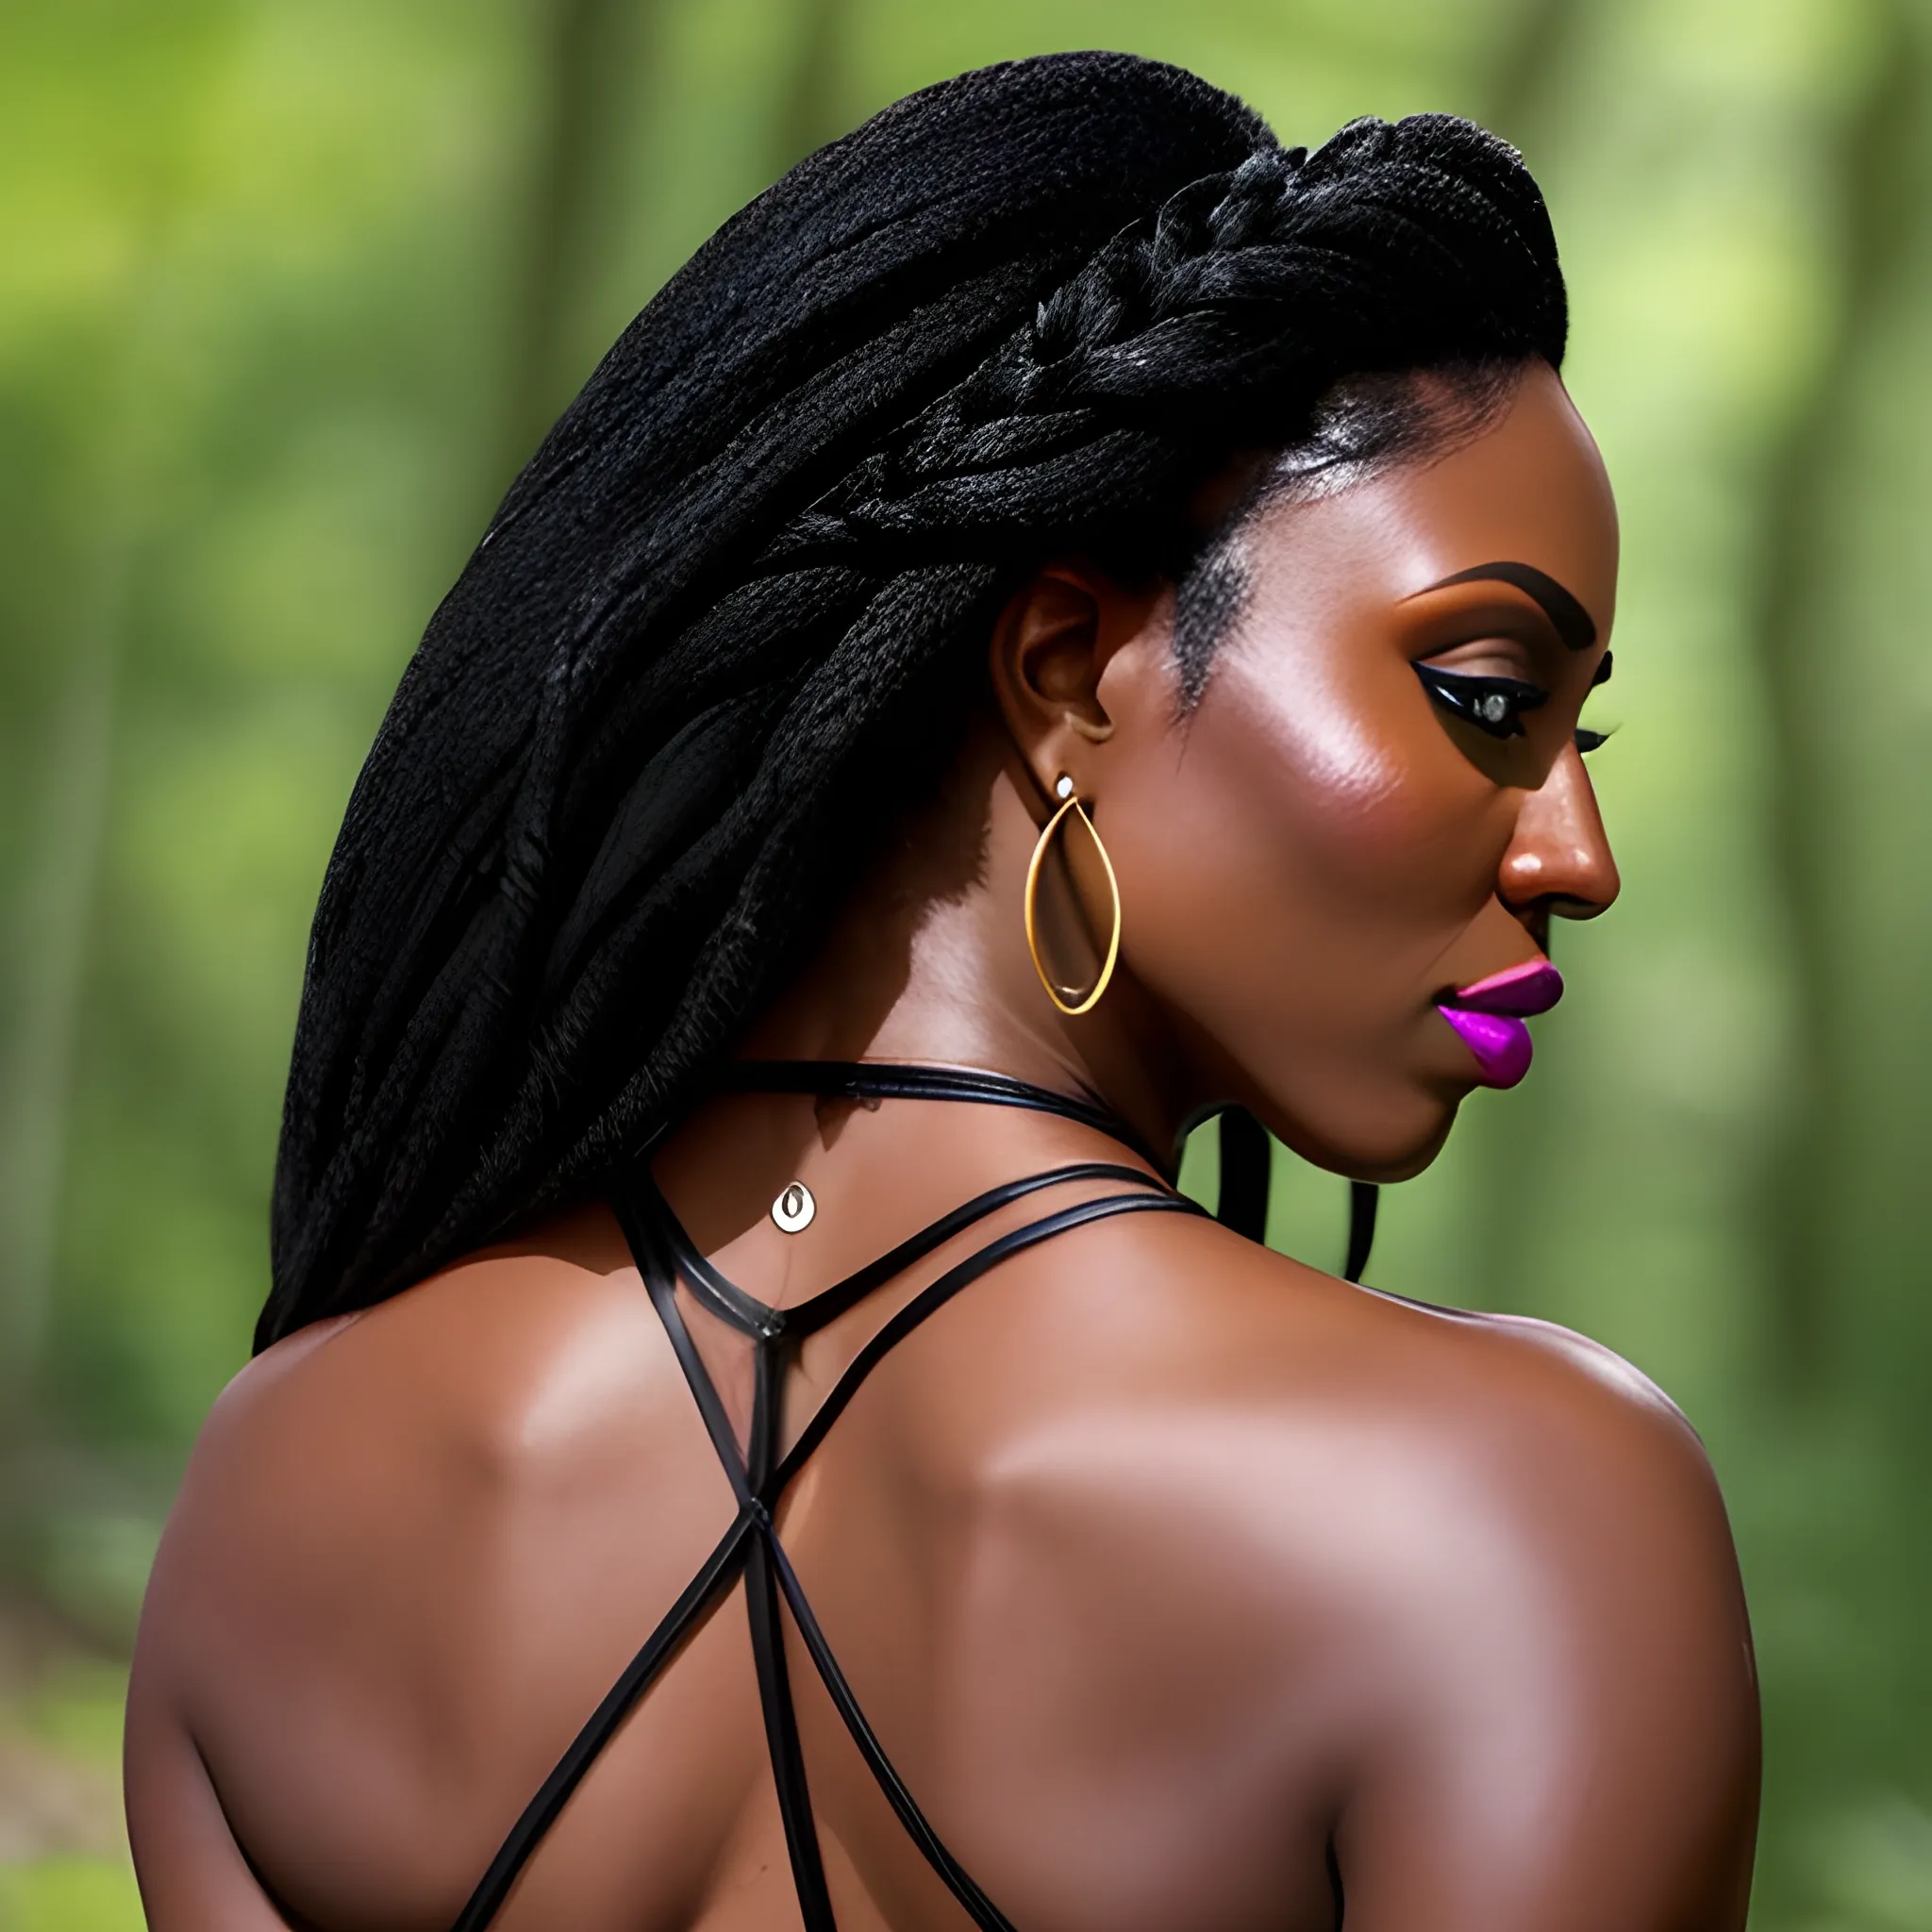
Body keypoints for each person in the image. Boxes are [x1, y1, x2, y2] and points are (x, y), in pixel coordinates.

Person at [125, 51, 1760, 1932]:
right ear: (1065, 661)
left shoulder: (282, 1486)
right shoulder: (1516, 1524)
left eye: (1582, 733)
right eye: (1486, 697)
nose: (1578, 852)